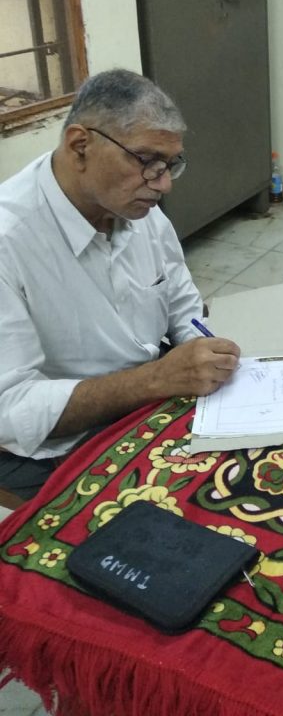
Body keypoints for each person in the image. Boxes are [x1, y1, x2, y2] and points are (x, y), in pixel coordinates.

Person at [0, 69, 240, 500]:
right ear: (80, 146)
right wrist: (156, 379)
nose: (163, 184)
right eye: (147, 161)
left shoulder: (134, 209)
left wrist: (204, 349)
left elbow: (183, 308)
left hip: (143, 399)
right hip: (53, 446)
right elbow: (11, 410)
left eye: (170, 165)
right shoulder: (10, 240)